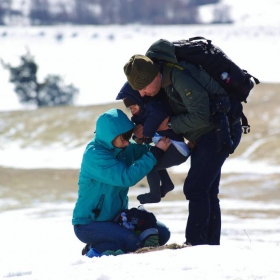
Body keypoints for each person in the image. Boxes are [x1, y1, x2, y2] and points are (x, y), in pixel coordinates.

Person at [123, 40, 242, 246]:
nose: (141, 94)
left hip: (220, 131)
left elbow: (202, 116)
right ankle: (209, 246)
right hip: (204, 134)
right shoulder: (162, 82)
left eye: (142, 87)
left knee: (196, 188)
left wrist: (167, 124)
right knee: (207, 190)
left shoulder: (179, 77)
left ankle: (196, 244)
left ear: (153, 77)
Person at [72, 108, 171, 256]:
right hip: (89, 224)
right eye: (123, 139)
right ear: (109, 136)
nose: (126, 143)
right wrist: (155, 152)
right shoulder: (95, 155)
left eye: (128, 137)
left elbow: (144, 151)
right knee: (133, 243)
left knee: (162, 233)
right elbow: (126, 178)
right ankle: (94, 252)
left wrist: (140, 140)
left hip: (116, 219)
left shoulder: (121, 148)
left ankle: (104, 244)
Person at [116, 82, 190, 204]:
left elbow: (157, 117)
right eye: (130, 109)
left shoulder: (154, 108)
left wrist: (146, 131)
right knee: (154, 159)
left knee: (149, 166)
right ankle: (167, 185)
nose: (132, 111)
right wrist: (140, 137)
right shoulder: (144, 116)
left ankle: (154, 195)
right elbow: (150, 137)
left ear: (140, 102)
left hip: (176, 148)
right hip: (172, 148)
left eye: (134, 107)